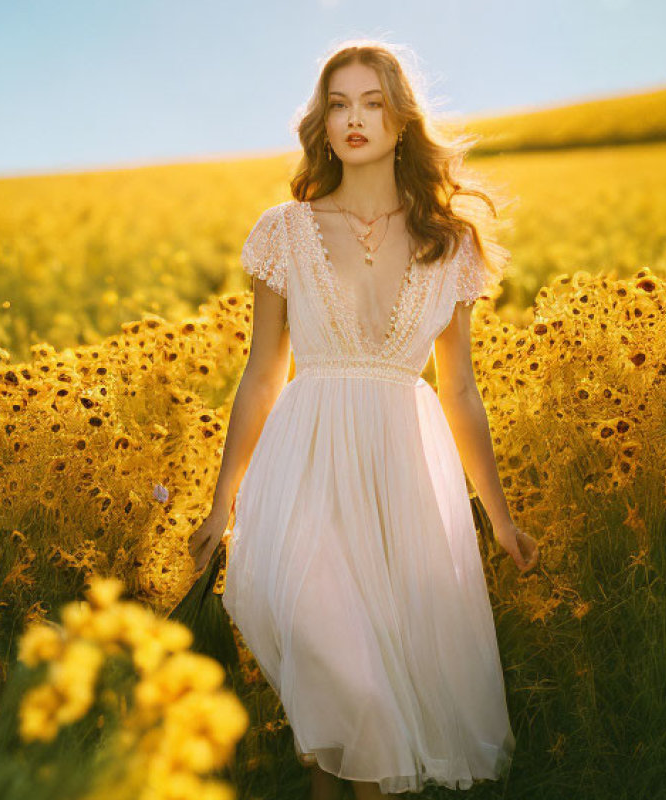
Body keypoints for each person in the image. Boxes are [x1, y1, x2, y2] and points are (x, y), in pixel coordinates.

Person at [187, 39, 539, 800]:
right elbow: (260, 374)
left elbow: (461, 394)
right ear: (322, 121)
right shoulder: (286, 229)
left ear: (401, 121)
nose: (354, 119)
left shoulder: (450, 244)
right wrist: (224, 503)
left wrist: (500, 519)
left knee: (345, 728)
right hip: (303, 469)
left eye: (372, 102)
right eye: (338, 103)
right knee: (349, 680)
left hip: (403, 480)